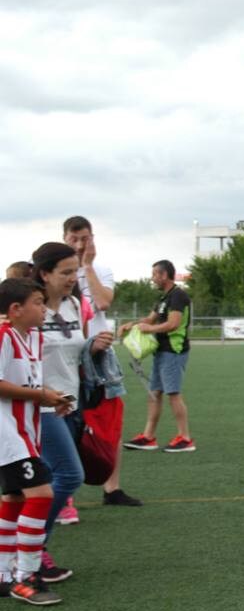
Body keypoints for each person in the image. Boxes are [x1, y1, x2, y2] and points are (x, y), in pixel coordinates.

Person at [31, 242, 114, 583]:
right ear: (44, 274)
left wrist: (92, 346)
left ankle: (25, 551)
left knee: (40, 484)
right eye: (64, 272)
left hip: (72, 403)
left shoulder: (75, 305)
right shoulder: (28, 309)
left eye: (73, 272)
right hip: (40, 407)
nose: (70, 279)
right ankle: (32, 549)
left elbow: (74, 351)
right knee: (69, 475)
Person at [0, 277, 71, 605]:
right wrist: (41, 394)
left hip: (25, 433)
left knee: (14, 500)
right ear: (15, 310)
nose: (44, 309)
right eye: (38, 303)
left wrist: (50, 398)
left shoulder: (33, 340)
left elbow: (25, 389)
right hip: (8, 434)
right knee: (42, 494)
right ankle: (26, 576)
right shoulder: (4, 336)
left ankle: (3, 573)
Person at [63, 216, 140, 507]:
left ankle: (112, 488)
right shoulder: (53, 272)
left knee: (111, 420)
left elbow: (104, 302)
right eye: (74, 238)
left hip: (101, 357)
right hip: (67, 355)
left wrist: (87, 267)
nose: (81, 244)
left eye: (86, 238)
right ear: (64, 238)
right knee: (67, 420)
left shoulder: (101, 270)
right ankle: (64, 494)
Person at [119, 260, 193, 452]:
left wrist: (150, 328)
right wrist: (132, 325)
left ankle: (185, 438)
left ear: (164, 275)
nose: (152, 278)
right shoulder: (163, 298)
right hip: (161, 351)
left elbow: (173, 324)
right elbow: (149, 319)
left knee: (173, 394)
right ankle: (148, 436)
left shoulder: (178, 296)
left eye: (155, 275)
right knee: (154, 394)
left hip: (173, 351)